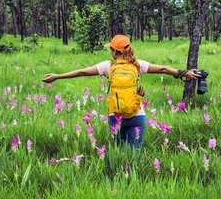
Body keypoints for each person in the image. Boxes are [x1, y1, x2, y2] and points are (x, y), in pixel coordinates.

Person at [42, 34, 200, 148]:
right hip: (137, 115)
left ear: (115, 52)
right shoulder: (138, 65)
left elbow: (81, 72)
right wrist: (185, 73)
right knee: (133, 155)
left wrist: (57, 76)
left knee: (118, 153)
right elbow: (164, 69)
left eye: (111, 49)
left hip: (115, 116)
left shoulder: (107, 66)